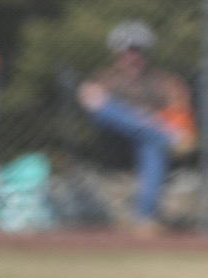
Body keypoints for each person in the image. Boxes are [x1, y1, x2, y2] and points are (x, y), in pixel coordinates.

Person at [78, 21, 196, 235]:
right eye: (127, 52)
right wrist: (142, 119)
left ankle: (145, 218)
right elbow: (90, 100)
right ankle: (162, 136)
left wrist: (151, 120)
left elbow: (179, 111)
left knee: (153, 145)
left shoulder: (164, 81)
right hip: (112, 138)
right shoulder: (106, 78)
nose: (133, 57)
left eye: (138, 51)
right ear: (117, 54)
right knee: (102, 104)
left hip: (146, 140)